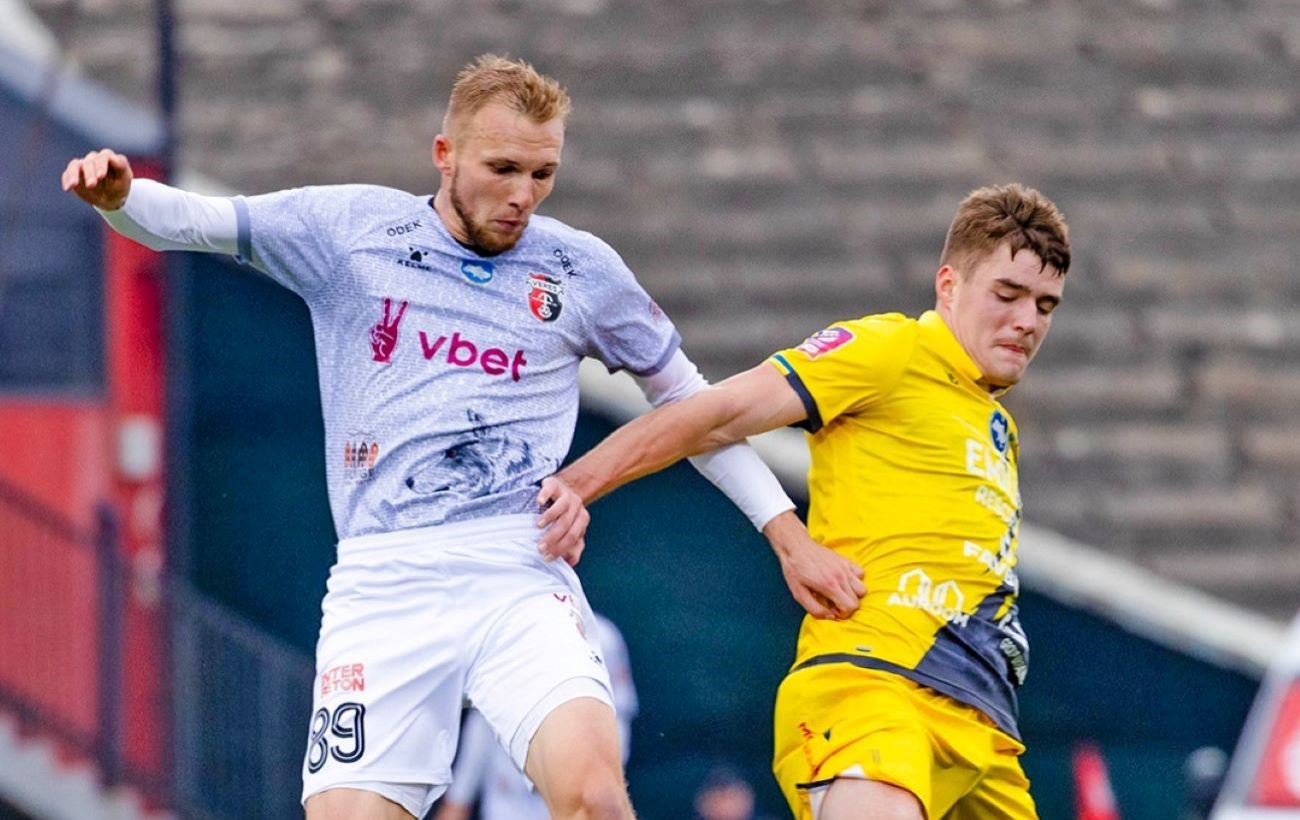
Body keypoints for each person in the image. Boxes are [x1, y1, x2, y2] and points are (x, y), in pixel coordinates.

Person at [61, 54, 864, 820]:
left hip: (517, 569)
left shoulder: (580, 271)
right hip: (384, 581)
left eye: (542, 174)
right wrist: (121, 197)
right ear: (444, 154)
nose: (522, 195)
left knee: (593, 798)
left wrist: (786, 535)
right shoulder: (351, 229)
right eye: (502, 168)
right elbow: (192, 220)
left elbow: (697, 407)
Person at [548, 184, 1071, 820]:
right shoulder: (890, 350)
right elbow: (715, 414)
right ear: (949, 285)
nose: (1027, 320)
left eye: (1045, 305)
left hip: (984, 729)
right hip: (875, 690)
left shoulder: (996, 425)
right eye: (1008, 294)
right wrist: (578, 484)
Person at [433, 611, 638, 820]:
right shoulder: (501, 633)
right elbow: (483, 722)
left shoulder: (601, 637)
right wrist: (460, 798)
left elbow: (616, 723)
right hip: (506, 804)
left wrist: (590, 785)